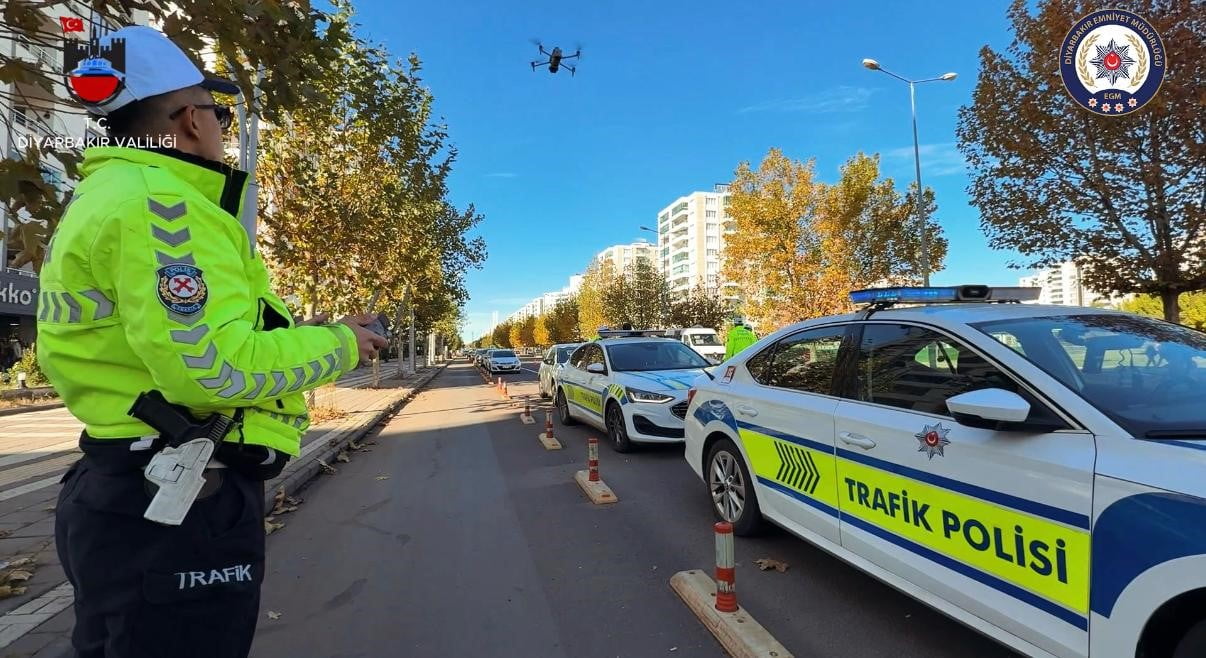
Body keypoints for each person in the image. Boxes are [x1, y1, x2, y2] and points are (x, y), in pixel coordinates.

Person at [37, 26, 387, 658]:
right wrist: (340, 345)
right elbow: (214, 368)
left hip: (128, 487)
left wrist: (314, 334)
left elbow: (180, 340)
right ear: (191, 120)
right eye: (219, 115)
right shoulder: (163, 206)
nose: (223, 130)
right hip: (175, 505)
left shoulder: (103, 197)